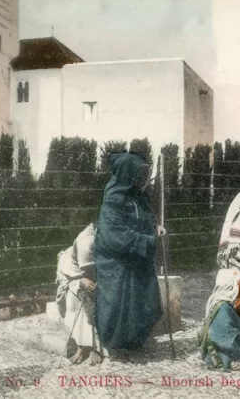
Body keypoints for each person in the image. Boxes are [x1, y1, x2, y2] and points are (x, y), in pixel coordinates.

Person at [93, 151, 164, 352]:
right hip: (117, 260)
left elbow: (147, 215)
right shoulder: (113, 198)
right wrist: (148, 240)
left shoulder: (137, 195)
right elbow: (114, 234)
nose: (141, 179)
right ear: (127, 173)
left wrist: (155, 226)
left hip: (136, 256)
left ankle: (134, 341)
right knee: (120, 303)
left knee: (145, 299)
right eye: (137, 174)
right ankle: (115, 344)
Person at [56, 222, 104, 365]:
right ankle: (82, 347)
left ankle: (97, 348)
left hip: (98, 274)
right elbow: (82, 273)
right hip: (74, 277)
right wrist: (81, 280)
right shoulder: (86, 240)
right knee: (81, 297)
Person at [198, 267, 240, 371]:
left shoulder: (219, 301)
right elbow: (228, 336)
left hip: (220, 341)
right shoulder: (223, 307)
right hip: (221, 344)